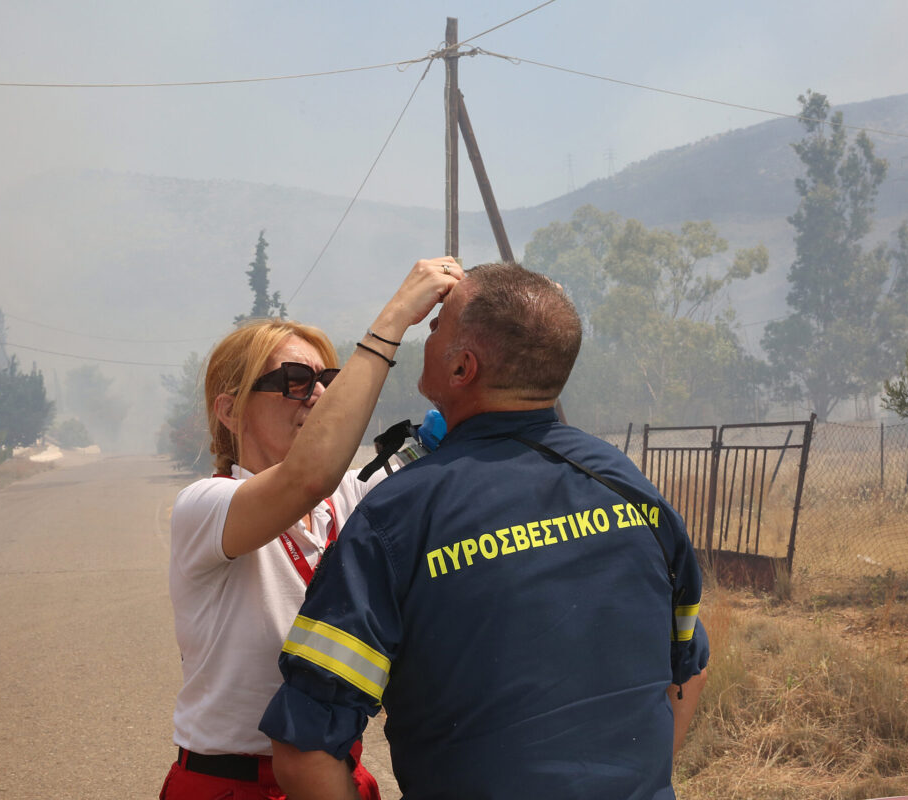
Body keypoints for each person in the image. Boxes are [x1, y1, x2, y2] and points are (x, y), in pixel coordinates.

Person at [260, 262, 710, 800]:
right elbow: (689, 670)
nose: (427, 337)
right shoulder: (632, 488)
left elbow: (304, 752)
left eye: (435, 328)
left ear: (461, 369)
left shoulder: (395, 518)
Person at [160, 257, 463, 800]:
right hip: (231, 786)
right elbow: (304, 478)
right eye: (296, 383)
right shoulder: (205, 506)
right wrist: (394, 318)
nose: (321, 396)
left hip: (330, 776)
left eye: (328, 381)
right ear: (230, 410)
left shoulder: (349, 493)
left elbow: (440, 446)